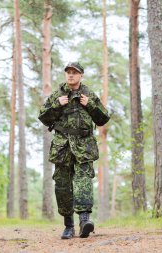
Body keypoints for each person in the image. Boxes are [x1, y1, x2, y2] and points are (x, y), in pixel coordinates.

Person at [38, 62, 110, 239]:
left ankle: (85, 221)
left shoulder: (88, 94)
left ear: (81, 75)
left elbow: (103, 118)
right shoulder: (58, 94)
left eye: (74, 73)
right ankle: (68, 226)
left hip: (84, 146)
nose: (71, 75)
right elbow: (43, 117)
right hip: (62, 147)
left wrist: (90, 104)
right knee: (63, 185)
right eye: (68, 72)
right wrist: (56, 105)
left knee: (83, 181)